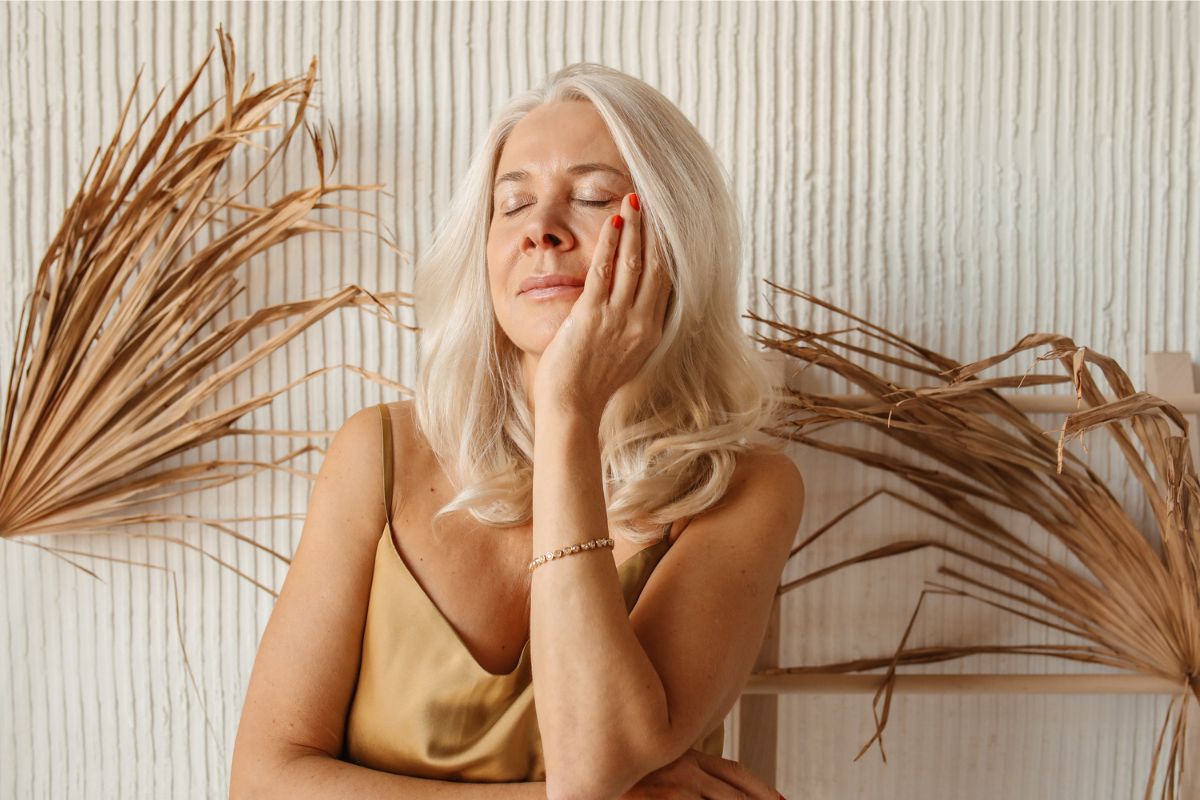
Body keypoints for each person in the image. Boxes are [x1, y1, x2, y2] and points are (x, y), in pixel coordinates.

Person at [230, 62, 804, 800]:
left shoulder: (745, 489)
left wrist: (569, 411)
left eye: (594, 197)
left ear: (675, 239)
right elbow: (261, 782)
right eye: (513, 205)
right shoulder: (377, 454)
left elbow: (594, 760)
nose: (541, 230)